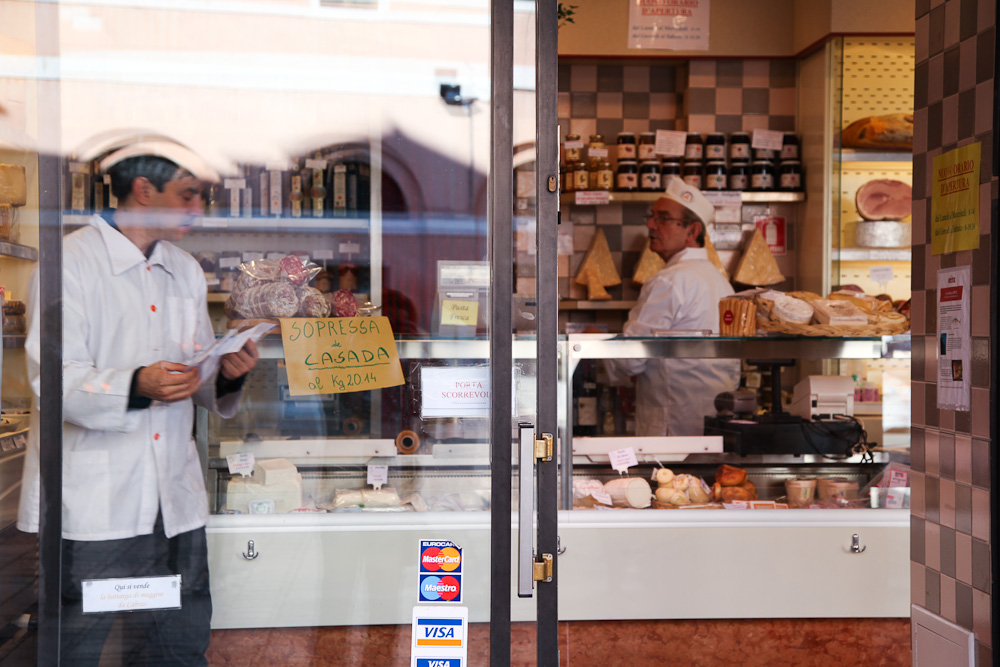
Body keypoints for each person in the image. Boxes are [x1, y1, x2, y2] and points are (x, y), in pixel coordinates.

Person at [17, 142, 259, 665]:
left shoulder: (185, 270)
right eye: (188, 194)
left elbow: (192, 375)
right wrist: (136, 384)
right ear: (144, 191)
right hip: (94, 507)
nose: (198, 209)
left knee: (177, 647)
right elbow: (53, 380)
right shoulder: (71, 264)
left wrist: (223, 374)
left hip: (174, 504)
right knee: (76, 649)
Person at [606, 178, 741, 436]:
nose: (650, 224)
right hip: (716, 426)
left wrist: (595, 342)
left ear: (692, 231)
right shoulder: (720, 281)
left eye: (663, 218)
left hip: (674, 427)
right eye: (652, 216)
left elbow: (630, 359)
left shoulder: (669, 281)